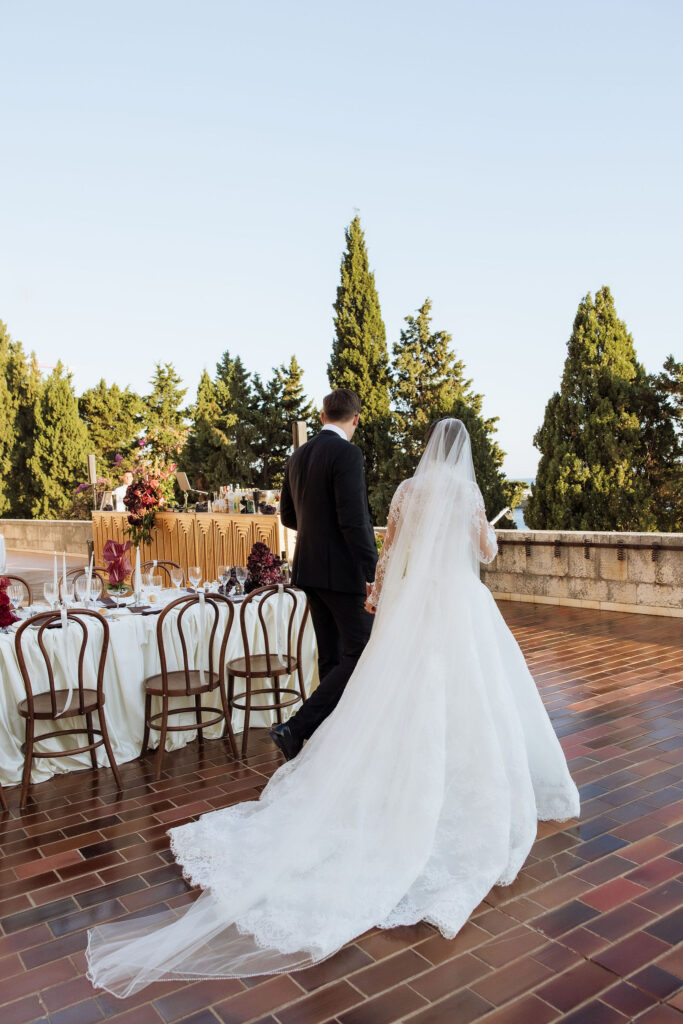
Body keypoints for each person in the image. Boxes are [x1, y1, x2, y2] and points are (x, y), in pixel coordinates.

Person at [86, 418, 580, 997]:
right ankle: (454, 786)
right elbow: (486, 550)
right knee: (473, 699)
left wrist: (378, 595)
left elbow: (391, 548)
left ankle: (386, 778)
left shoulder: (406, 491)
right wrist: (485, 537)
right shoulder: (466, 493)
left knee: (394, 697)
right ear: (464, 455)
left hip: (414, 612)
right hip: (461, 608)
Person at [270, 387, 377, 760]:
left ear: (321, 417)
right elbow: (354, 521)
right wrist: (372, 570)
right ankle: (297, 726)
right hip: (342, 573)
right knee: (363, 652)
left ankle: (326, 741)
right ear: (356, 419)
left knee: (331, 657)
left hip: (308, 569)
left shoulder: (297, 456)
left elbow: (286, 517)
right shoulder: (347, 454)